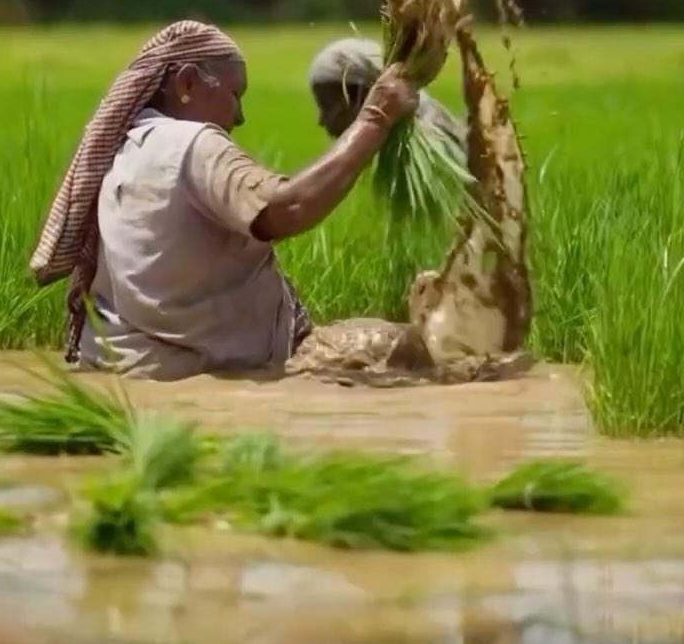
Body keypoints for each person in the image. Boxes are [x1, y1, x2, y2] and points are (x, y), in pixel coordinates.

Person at [30, 20, 417, 382]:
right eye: (235, 94)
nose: (241, 115)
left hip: (120, 369)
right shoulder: (192, 145)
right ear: (187, 84)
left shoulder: (126, 154)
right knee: (412, 350)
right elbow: (287, 208)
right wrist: (375, 118)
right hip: (200, 369)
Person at [308, 36, 467, 158]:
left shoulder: (431, 147)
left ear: (364, 96)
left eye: (327, 106)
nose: (321, 121)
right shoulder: (396, 148)